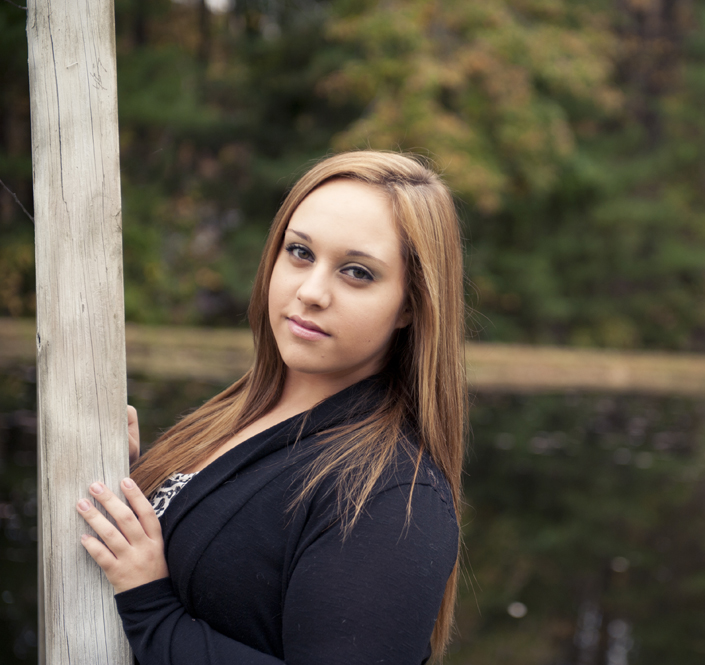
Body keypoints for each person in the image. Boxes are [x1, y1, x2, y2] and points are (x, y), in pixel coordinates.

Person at [74, 151, 466, 664]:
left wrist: (152, 608)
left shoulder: (393, 497)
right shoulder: (234, 415)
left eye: (356, 272)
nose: (311, 291)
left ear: (410, 305)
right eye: (300, 252)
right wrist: (131, 485)